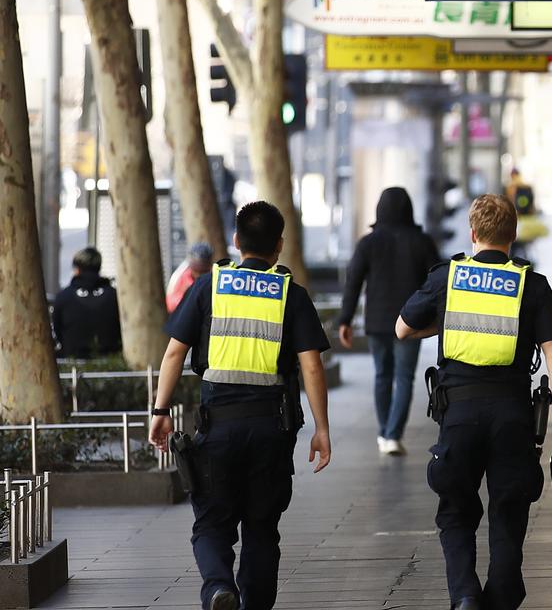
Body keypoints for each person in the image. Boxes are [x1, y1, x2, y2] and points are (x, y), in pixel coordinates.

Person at [148, 201, 332, 610]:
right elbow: (311, 366)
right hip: (272, 430)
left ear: (235, 241)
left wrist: (160, 413)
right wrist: (322, 428)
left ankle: (218, 587)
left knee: (212, 524)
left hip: (218, 430)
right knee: (262, 529)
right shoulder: (291, 294)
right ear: (279, 245)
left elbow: (175, 353)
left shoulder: (210, 285)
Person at [396, 194, 552, 610]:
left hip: (457, 414)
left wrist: (443, 322)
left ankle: (464, 596)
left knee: (455, 510)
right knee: (509, 511)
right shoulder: (532, 284)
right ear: (512, 236)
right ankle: (500, 597)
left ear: (472, 233)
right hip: (512, 417)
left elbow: (402, 329)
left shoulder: (447, 278)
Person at [337, 187, 441, 455]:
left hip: (377, 323)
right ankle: (393, 435)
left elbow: (353, 283)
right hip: (411, 323)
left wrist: (345, 320)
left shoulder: (368, 243)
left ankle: (385, 432)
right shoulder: (422, 241)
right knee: (404, 377)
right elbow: (437, 280)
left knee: (382, 375)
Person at [52, 247, 122, 359]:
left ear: (77, 269)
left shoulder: (64, 296)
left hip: (72, 361)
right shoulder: (114, 296)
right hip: (110, 362)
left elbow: (57, 329)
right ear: (99, 268)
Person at [167, 242, 215, 313]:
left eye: (203, 271)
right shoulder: (181, 276)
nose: (198, 275)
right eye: (196, 270)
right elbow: (170, 302)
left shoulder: (215, 277)